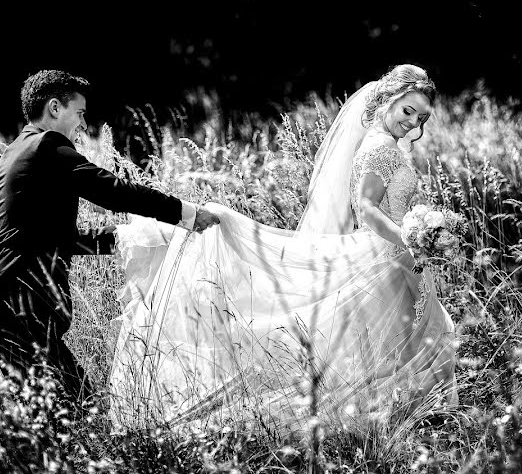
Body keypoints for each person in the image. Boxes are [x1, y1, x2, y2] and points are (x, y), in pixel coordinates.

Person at [111, 64, 457, 429]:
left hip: (398, 257)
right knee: (392, 340)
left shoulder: (383, 144)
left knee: (403, 339)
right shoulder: (381, 149)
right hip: (387, 254)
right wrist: (410, 235)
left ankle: (413, 423)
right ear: (388, 100)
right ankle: (414, 424)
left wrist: (421, 234)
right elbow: (368, 210)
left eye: (421, 117)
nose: (413, 122)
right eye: (408, 110)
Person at [0, 70, 219, 407]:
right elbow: (109, 190)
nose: (84, 125)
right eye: (80, 113)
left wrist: (132, 237)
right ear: (55, 107)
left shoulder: (13, 154)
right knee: (72, 407)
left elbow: (51, 239)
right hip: (17, 302)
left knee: (58, 408)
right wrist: (185, 213)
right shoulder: (47, 145)